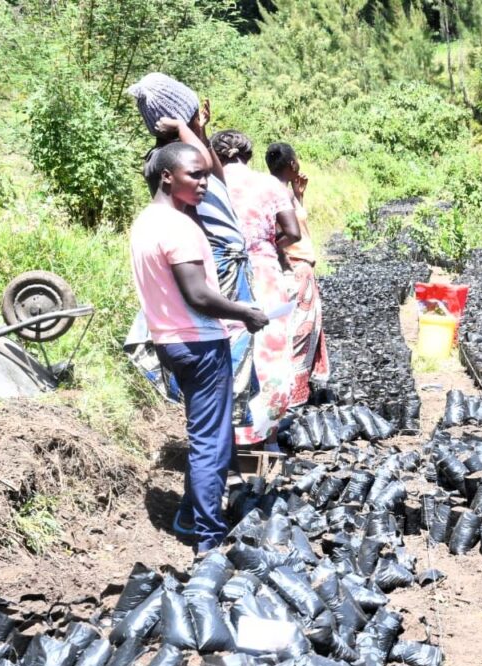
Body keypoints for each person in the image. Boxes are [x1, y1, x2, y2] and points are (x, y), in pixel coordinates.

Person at [124, 73, 260, 537]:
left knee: (207, 435)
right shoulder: (181, 228)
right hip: (199, 341)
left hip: (172, 339)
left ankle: (191, 514)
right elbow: (198, 294)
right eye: (195, 175)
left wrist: (188, 130)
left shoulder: (149, 220)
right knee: (211, 442)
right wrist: (245, 312)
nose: (205, 180)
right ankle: (206, 533)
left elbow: (208, 171)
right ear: (169, 176)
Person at [211, 130, 301, 447]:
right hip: (264, 275)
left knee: (229, 347)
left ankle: (228, 432)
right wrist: (267, 246)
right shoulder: (270, 185)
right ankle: (266, 432)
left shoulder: (209, 183)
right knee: (270, 352)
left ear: (217, 155)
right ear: (247, 155)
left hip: (222, 275)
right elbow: (292, 232)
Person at [265, 142, 330, 407]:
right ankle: (289, 398)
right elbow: (282, 232)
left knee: (300, 330)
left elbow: (295, 225)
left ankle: (293, 395)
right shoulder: (276, 195)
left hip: (300, 268)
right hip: (293, 270)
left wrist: (299, 196)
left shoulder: (284, 193)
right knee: (297, 334)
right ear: (292, 164)